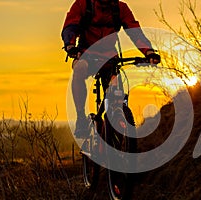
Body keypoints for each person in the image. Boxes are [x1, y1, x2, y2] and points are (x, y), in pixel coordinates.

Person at [61, 0, 160, 138]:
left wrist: (148, 52)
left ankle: (117, 118)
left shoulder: (120, 8)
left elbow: (134, 32)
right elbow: (70, 27)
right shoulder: (83, 4)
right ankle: (81, 117)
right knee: (79, 69)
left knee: (116, 89)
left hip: (109, 57)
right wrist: (70, 45)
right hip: (86, 53)